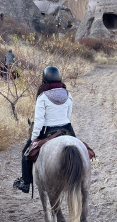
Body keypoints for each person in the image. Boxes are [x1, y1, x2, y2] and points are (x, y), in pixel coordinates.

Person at [13, 66, 74, 194]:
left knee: (26, 153)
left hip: (47, 130)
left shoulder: (43, 97)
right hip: (67, 129)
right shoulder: (68, 95)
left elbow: (39, 121)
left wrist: (34, 138)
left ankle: (25, 183)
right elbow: (68, 115)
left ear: (45, 79)